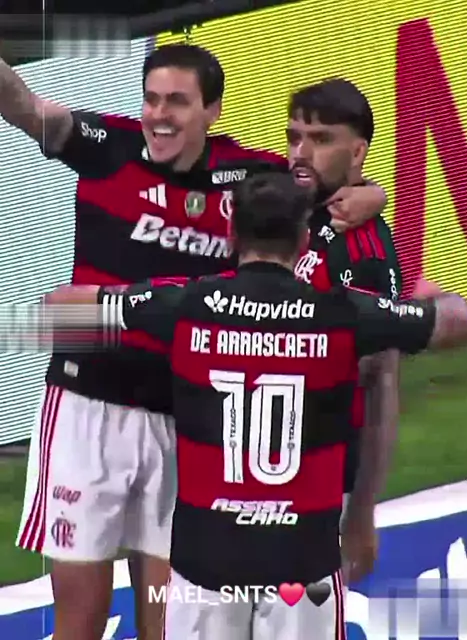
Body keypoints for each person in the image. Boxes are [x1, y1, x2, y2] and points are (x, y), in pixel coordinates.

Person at [0, 44, 387, 639]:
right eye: (151, 99)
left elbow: (327, 184)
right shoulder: (107, 147)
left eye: (177, 102)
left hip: (184, 423)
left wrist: (371, 193)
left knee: (166, 621)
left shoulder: (250, 175)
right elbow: (25, 105)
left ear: (212, 110)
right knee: (80, 620)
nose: (159, 115)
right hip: (85, 410)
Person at [41, 172, 467, 640]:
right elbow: (460, 320)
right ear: (303, 239)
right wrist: (424, 299)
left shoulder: (186, 304)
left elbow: (61, 309)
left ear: (232, 234)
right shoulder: (344, 315)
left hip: (205, 564)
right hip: (302, 566)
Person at [288, 78, 403, 583]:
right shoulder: (290, 204)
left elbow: (380, 382)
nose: (300, 152)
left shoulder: (364, 252)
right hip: (248, 472)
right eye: (294, 136)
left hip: (319, 479)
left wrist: (361, 512)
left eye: (320, 139)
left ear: (357, 152)